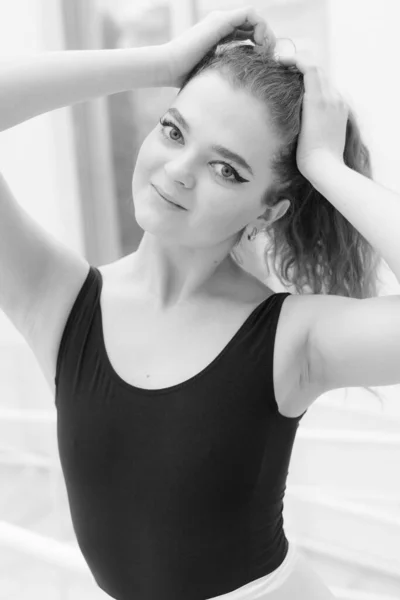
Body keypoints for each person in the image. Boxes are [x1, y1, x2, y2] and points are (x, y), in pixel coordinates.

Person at [2, 5, 400, 600]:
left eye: (226, 169)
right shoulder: (59, 303)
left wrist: (324, 167)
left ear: (269, 210)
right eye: (173, 130)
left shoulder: (291, 338)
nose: (179, 171)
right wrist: (159, 62)